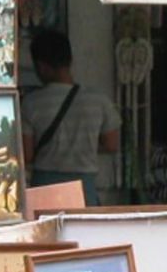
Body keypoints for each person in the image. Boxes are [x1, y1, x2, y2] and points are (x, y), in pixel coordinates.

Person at [21, 29, 121, 205]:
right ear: (70, 60)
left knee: (44, 232)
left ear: (42, 66)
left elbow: (27, 155)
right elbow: (112, 145)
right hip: (84, 188)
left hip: (44, 188)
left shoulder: (30, 103)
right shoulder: (99, 101)